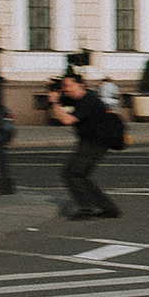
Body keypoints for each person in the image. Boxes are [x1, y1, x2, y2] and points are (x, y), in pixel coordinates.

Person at [49, 73, 121, 219]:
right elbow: (62, 99)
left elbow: (67, 120)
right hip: (93, 142)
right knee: (81, 175)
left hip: (95, 143)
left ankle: (86, 209)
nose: (66, 89)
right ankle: (109, 208)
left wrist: (54, 103)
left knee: (72, 173)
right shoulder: (79, 98)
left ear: (80, 85)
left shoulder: (88, 100)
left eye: (69, 86)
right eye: (64, 86)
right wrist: (54, 91)